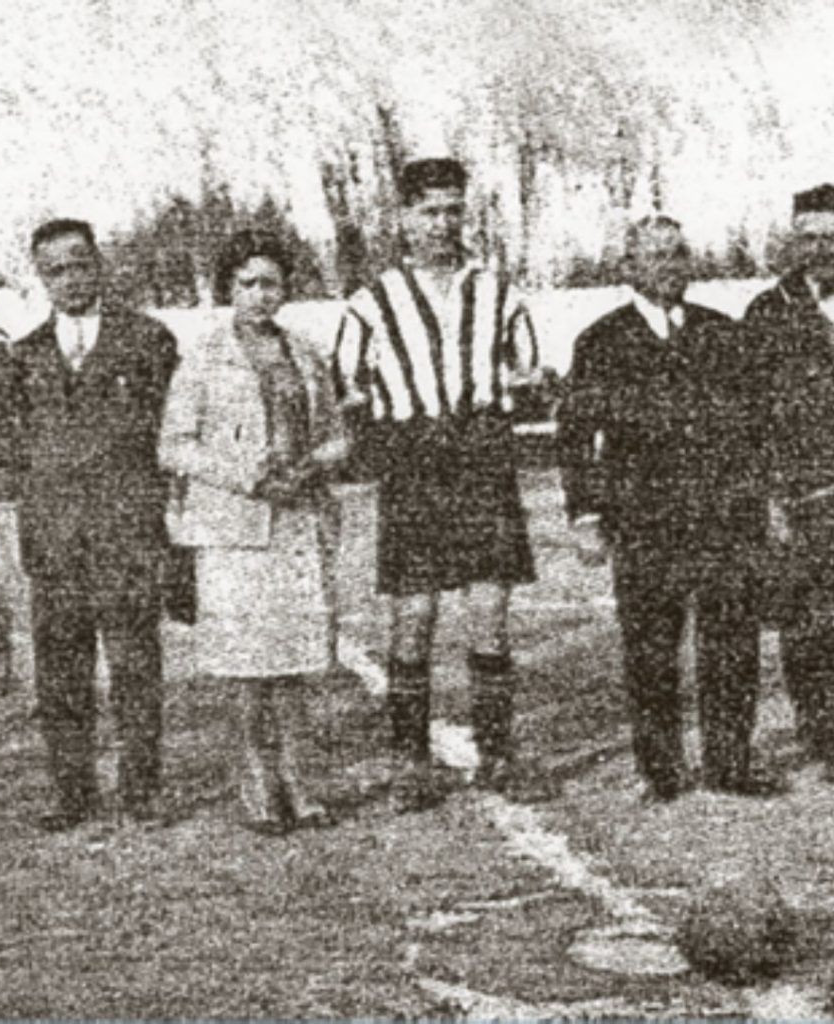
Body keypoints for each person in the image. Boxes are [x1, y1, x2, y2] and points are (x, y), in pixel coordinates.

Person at [331, 157, 549, 812]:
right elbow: (348, 393)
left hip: (482, 457)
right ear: (403, 218)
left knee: (489, 613)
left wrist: (520, 398)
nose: (442, 222)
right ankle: (410, 761)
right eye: (429, 210)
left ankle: (498, 751)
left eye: (453, 209)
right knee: (414, 616)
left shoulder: (499, 292)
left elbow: (530, 376)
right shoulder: (371, 303)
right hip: (414, 462)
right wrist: (392, 446)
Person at [557, 214, 783, 802]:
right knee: (652, 647)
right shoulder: (602, 341)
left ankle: (730, 762)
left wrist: (766, 500)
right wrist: (585, 515)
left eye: (679, 253)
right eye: (656, 256)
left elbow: (757, 426)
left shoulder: (723, 332)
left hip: (725, 518)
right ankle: (661, 769)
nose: (671, 266)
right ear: (629, 268)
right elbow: (577, 435)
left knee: (731, 641)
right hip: (645, 521)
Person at [160, 229, 348, 835]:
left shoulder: (308, 352)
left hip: (298, 519)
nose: (261, 296)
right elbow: (174, 445)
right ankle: (256, 783)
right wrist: (247, 476)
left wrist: (314, 465)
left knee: (294, 661)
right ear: (228, 289)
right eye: (248, 284)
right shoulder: (204, 357)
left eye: (272, 283)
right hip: (234, 529)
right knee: (247, 667)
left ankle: (300, 779)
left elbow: (338, 433)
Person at [10, 218, 178, 832]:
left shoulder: (148, 339)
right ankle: (73, 792)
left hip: (128, 535)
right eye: (55, 270)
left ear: (99, 263)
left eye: (80, 263)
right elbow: (10, 448)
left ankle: (142, 789)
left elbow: (170, 438)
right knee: (61, 672)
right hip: (55, 542)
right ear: (41, 278)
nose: (70, 278)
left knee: (135, 664)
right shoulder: (22, 356)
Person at [743, 183, 834, 777]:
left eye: (831, 237)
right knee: (811, 621)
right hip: (807, 491)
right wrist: (769, 495)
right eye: (809, 238)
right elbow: (749, 413)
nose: (821, 249)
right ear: (792, 242)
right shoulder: (767, 312)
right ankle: (826, 737)